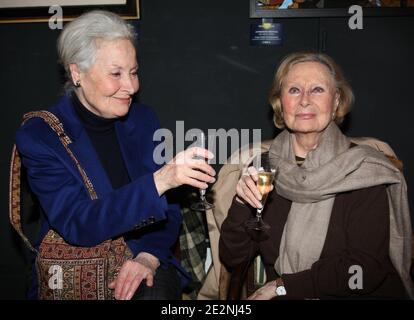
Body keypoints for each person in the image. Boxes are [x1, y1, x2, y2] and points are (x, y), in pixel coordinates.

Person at [14, 10, 216, 300]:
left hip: (143, 254)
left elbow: (169, 209)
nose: (131, 87)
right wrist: (160, 180)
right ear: (77, 73)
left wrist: (147, 256)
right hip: (76, 268)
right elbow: (77, 222)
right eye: (116, 74)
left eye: (133, 72)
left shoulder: (143, 119)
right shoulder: (41, 135)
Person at [219, 52, 414, 299]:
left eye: (318, 90)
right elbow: (233, 255)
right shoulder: (263, 168)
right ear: (280, 103)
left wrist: (282, 286)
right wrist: (240, 203)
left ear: (336, 101)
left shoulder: (364, 170)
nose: (304, 101)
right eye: (294, 90)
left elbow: (364, 270)